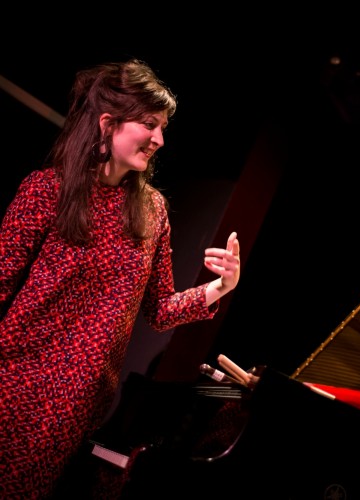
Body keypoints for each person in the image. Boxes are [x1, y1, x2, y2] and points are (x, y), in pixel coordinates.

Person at [0, 58, 241, 498]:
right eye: (149, 124)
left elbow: (159, 310)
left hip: (80, 405)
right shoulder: (47, 190)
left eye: (163, 127)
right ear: (108, 123)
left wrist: (220, 287)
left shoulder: (152, 210)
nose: (160, 139)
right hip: (15, 387)